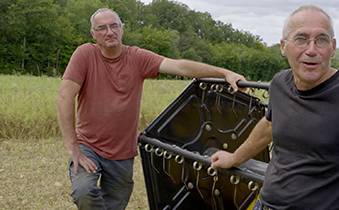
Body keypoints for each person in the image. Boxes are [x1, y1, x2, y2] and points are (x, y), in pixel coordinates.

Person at [211, 5, 339, 210]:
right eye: (301, 39)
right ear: (283, 46)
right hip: (264, 204)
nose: (311, 50)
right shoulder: (280, 83)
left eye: (321, 40)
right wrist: (234, 158)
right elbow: (269, 125)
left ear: (333, 47)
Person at [56, 8, 246, 210]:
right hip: (88, 146)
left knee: (115, 205)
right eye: (101, 28)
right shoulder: (85, 54)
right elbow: (64, 97)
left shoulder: (137, 57)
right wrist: (74, 149)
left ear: (122, 29)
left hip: (122, 152)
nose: (109, 32)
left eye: (114, 26)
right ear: (93, 34)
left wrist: (224, 73)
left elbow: (180, 67)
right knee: (84, 192)